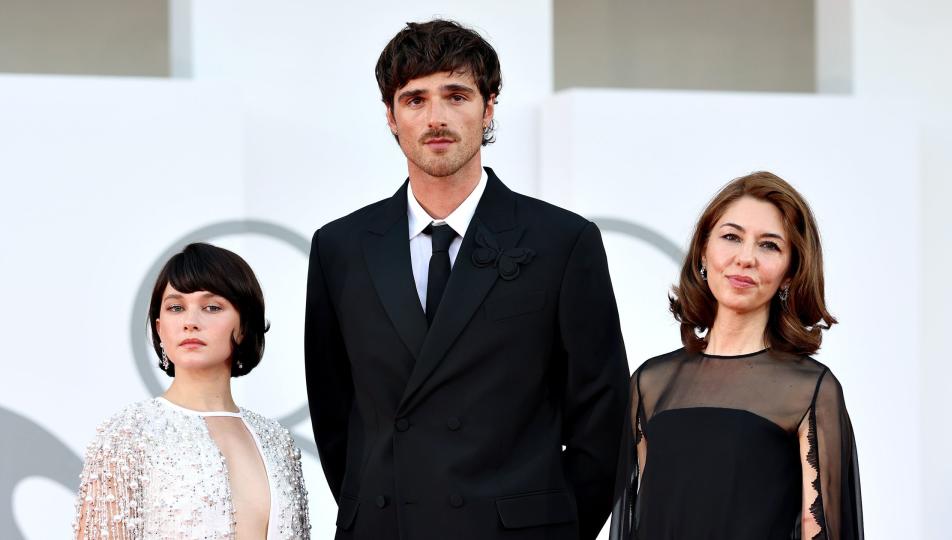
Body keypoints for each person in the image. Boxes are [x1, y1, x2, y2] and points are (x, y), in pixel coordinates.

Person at [304, 19, 629, 540]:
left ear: (489, 106)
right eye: (415, 100)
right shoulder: (339, 248)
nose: (436, 118)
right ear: (390, 116)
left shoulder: (562, 242)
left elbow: (603, 417)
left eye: (456, 95)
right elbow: (334, 413)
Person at [610, 172, 864, 539]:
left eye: (770, 246)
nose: (746, 259)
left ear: (790, 272)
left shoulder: (808, 389)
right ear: (703, 250)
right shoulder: (652, 382)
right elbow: (641, 517)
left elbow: (819, 528)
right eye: (731, 237)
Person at [73, 243, 310, 539]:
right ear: (160, 329)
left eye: (212, 307)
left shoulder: (277, 441)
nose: (190, 323)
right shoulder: (127, 435)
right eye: (176, 307)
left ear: (244, 325)